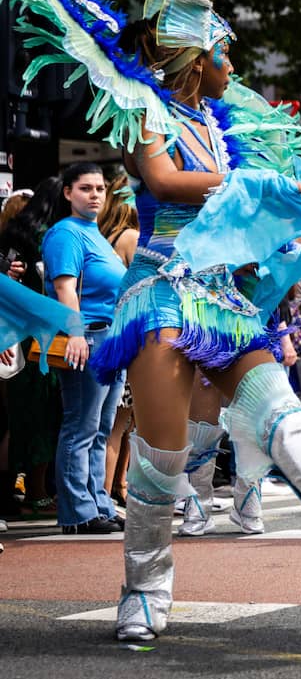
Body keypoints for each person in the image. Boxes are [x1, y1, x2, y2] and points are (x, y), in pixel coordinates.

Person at [0, 0, 301, 641]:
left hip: (223, 298)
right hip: (164, 291)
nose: (235, 68)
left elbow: (247, 214)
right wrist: (258, 191)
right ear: (198, 60)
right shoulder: (148, 111)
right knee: (162, 455)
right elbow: (163, 183)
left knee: (281, 408)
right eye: (227, 54)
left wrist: (293, 214)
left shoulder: (223, 133)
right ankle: (143, 589)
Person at [42, 162, 127, 534]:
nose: (95, 195)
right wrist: (75, 334)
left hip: (110, 339)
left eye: (100, 189)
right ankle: (78, 512)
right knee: (81, 425)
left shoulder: (95, 234)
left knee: (102, 427)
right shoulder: (66, 233)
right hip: (87, 338)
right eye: (86, 188)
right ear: (67, 193)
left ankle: (99, 504)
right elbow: (64, 289)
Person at [0, 179, 65, 520]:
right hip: (26, 342)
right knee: (26, 419)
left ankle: (30, 490)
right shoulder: (28, 243)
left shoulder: (32, 241)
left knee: (36, 418)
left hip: (37, 339)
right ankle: (22, 492)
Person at [97, 174, 139, 507]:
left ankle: (110, 490)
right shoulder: (131, 238)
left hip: (109, 336)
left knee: (110, 425)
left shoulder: (104, 236)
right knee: (118, 426)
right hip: (127, 339)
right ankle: (108, 493)